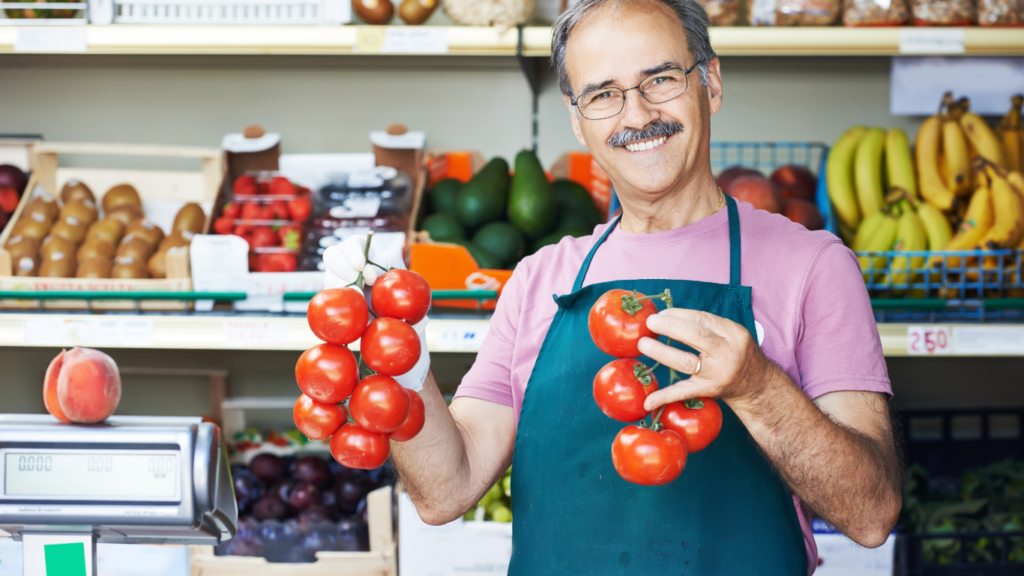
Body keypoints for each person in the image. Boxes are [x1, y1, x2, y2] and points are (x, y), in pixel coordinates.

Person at [324, 0, 901, 572]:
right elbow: (444, 492)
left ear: (712, 84)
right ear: (578, 120)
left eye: (661, 79)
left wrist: (758, 388)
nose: (637, 114)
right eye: (603, 94)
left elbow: (871, 515)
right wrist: (399, 359)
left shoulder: (815, 265)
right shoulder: (538, 281)